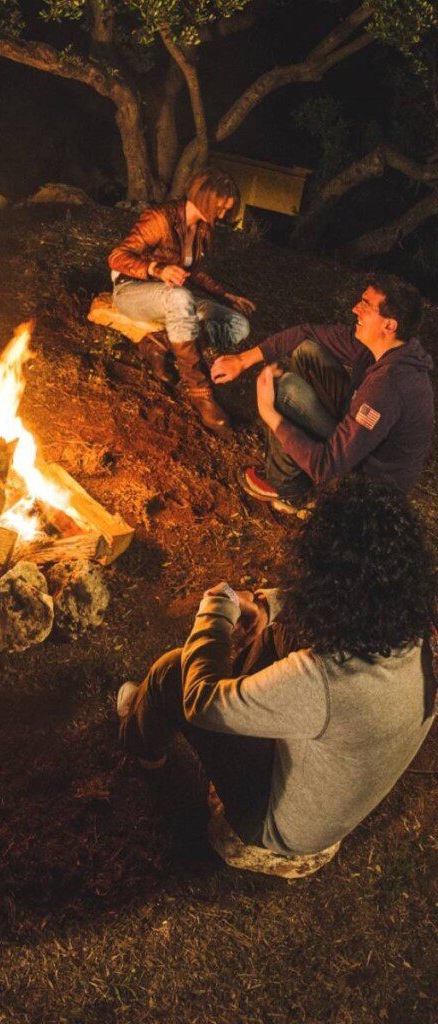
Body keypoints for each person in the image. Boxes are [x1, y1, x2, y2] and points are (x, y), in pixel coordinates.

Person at [117, 476, 436, 868]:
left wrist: (216, 610)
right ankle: (229, 700)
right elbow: (344, 606)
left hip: (279, 827)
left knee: (174, 672)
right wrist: (269, 605)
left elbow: (201, 703)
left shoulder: (325, 679)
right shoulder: (409, 632)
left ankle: (141, 744)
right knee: (282, 631)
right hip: (328, 797)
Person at [210, 274, 431, 513]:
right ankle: (296, 464)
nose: (355, 308)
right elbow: (306, 333)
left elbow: (329, 465)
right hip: (359, 443)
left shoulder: (388, 385)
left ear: (389, 325)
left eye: (365, 305)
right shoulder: (385, 347)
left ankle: (290, 491)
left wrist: (269, 413)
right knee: (307, 351)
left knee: (284, 391)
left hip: (366, 487)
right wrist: (243, 360)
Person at [106, 166, 256, 438]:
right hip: (132, 291)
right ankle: (199, 391)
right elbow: (117, 257)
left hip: (172, 297)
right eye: (220, 208)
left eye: (226, 210)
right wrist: (156, 269)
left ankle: (157, 344)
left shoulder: (202, 230)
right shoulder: (160, 218)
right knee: (181, 296)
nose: (222, 216)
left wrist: (226, 295)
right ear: (204, 199)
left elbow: (193, 272)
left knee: (238, 324)